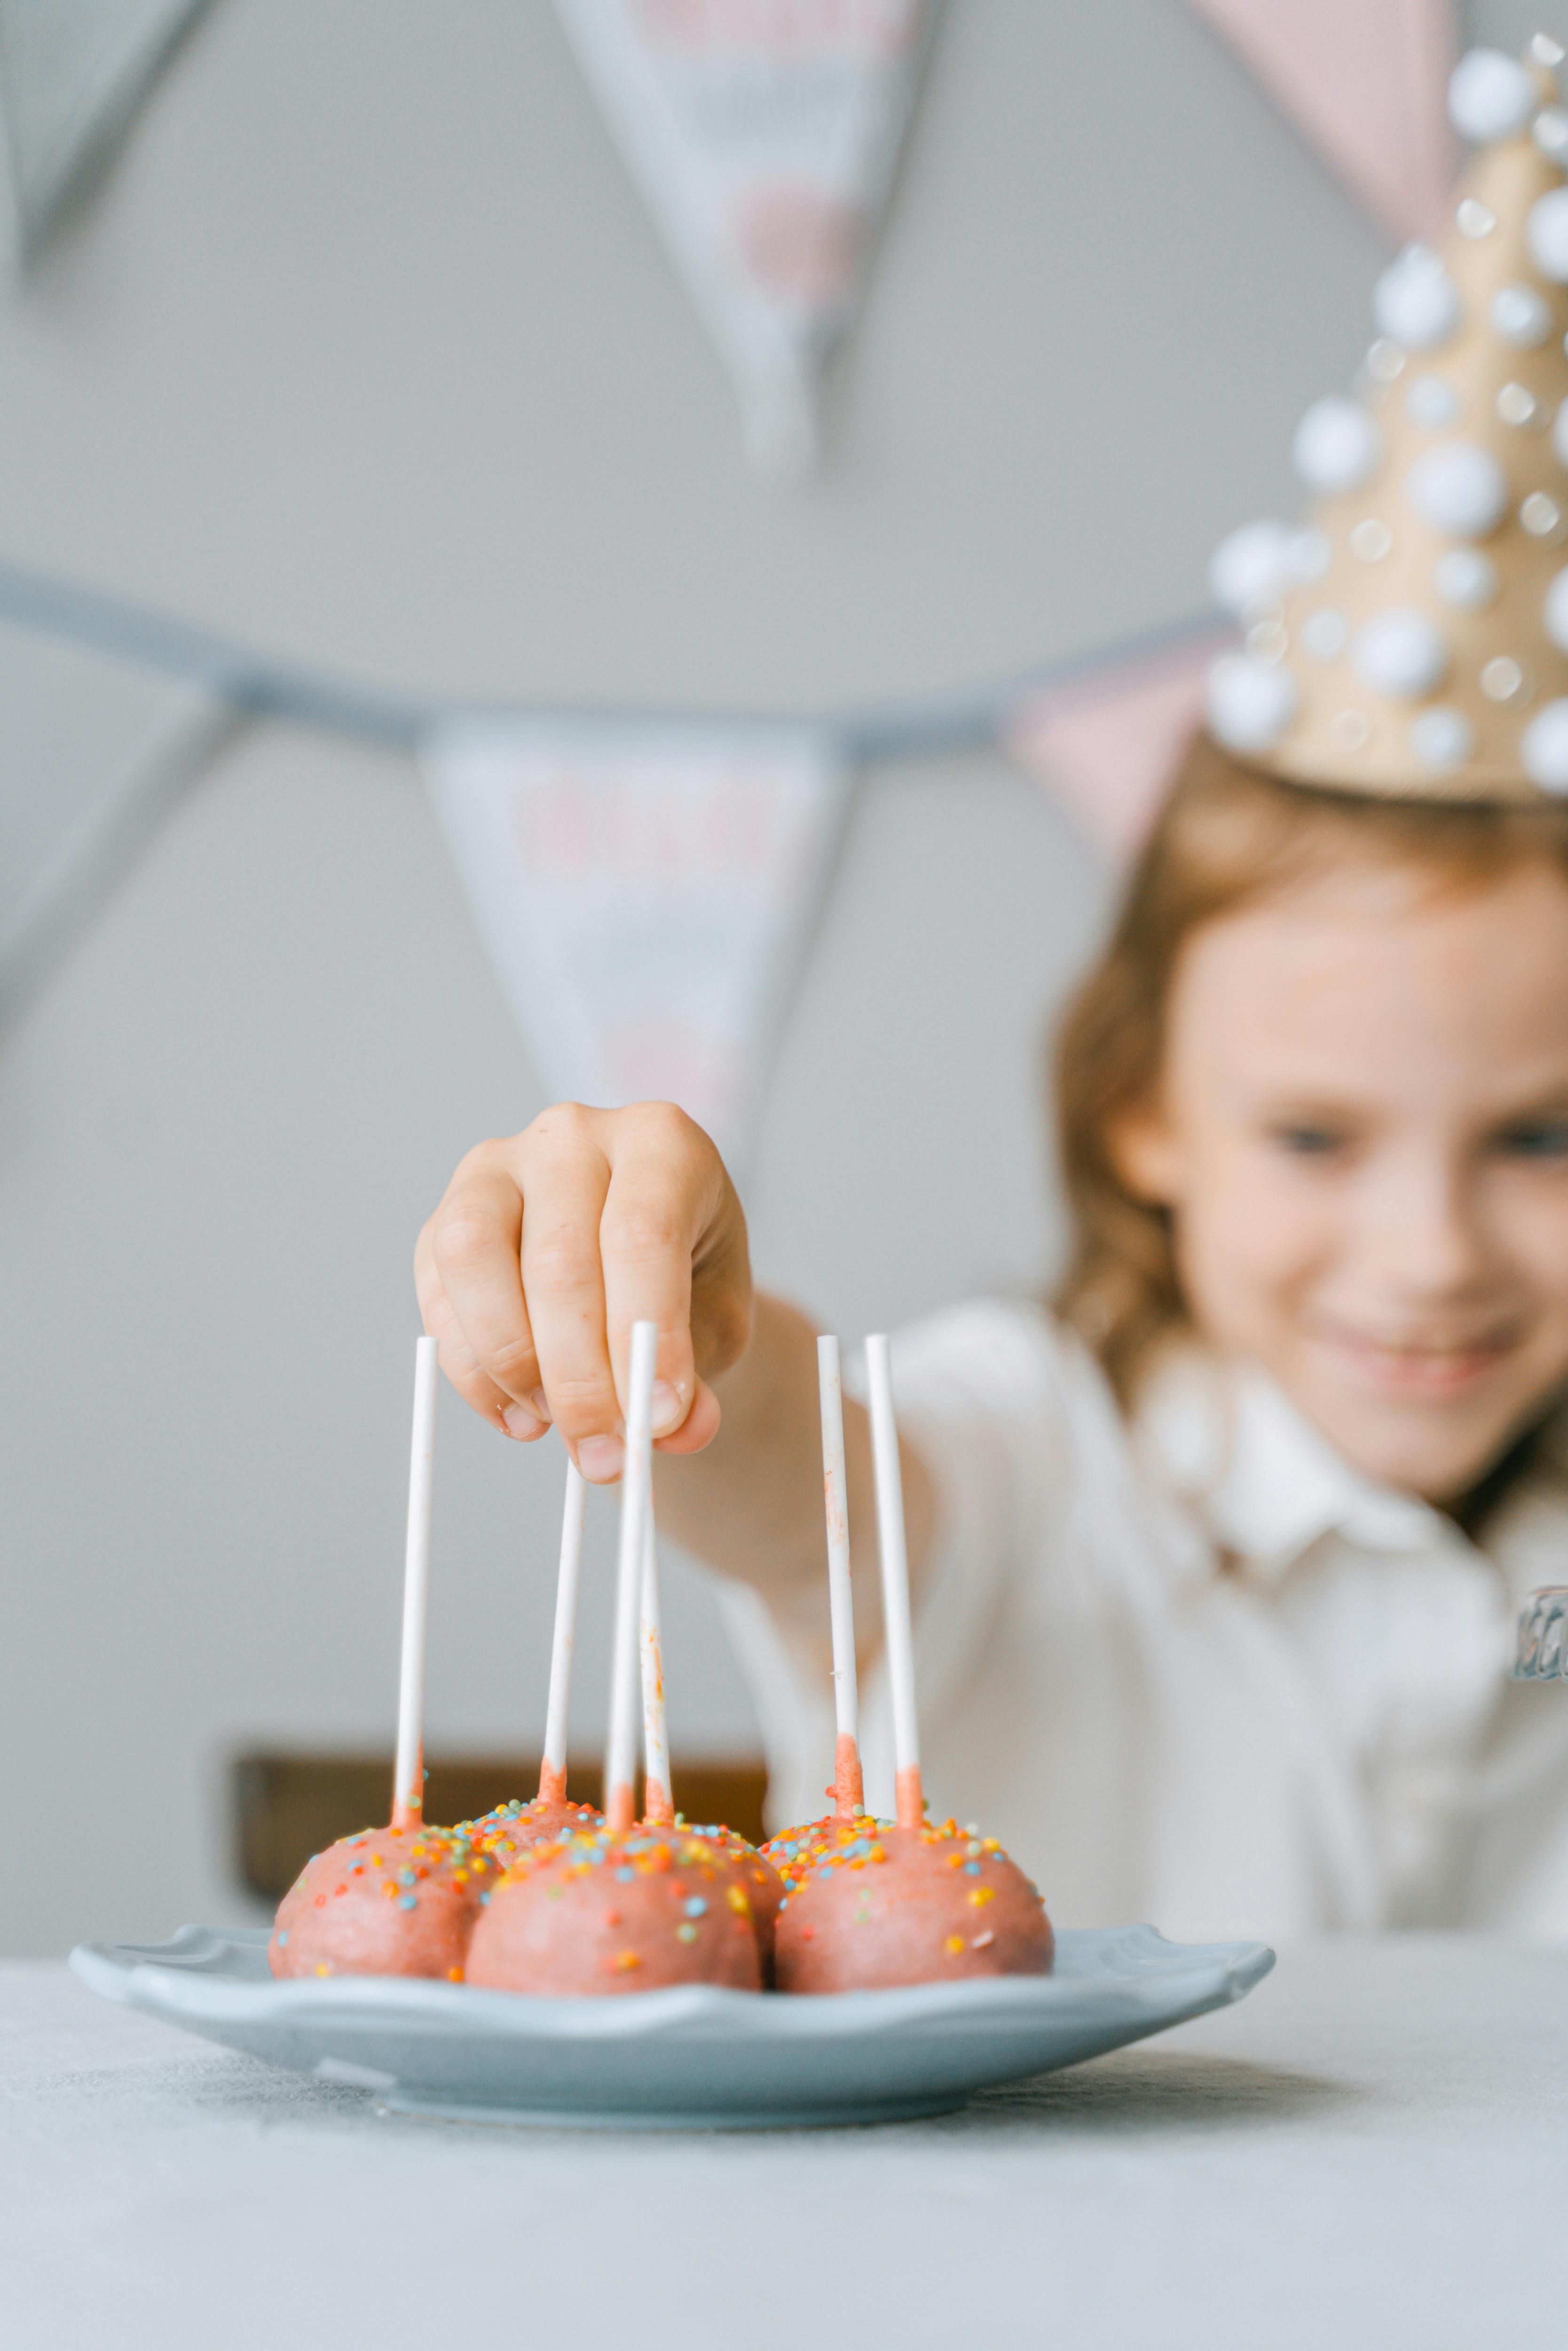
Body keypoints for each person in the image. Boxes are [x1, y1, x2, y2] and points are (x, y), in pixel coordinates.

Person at [414, 46, 1568, 1940]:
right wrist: (679, 1304)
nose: (1430, 1250)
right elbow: (802, 1489)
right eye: (1313, 1131)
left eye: (1542, 1130)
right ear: (1144, 1108)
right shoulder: (1030, 1461)